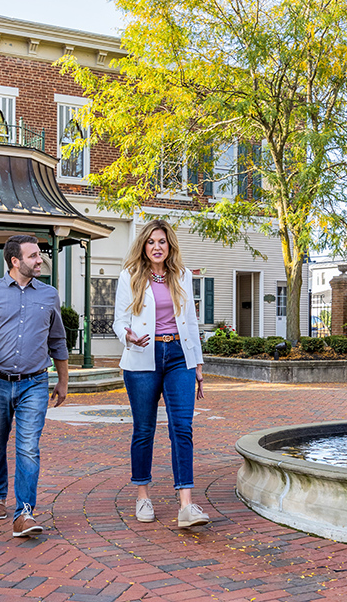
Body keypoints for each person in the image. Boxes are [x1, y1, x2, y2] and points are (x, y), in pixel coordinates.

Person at [0, 235, 69, 539]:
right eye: (33, 256)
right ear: (15, 261)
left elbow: (57, 340)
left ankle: (24, 512)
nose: (39, 260)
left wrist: (63, 380)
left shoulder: (48, 295)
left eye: (39, 255)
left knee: (28, 448)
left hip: (34, 382)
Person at [113, 219, 208, 528]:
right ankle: (143, 496)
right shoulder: (129, 276)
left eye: (162, 242)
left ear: (170, 247)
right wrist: (127, 336)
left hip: (179, 356)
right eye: (152, 241)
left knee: (182, 428)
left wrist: (198, 364)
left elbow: (191, 321)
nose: (157, 246)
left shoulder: (181, 275)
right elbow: (119, 320)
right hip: (142, 357)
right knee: (144, 430)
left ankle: (186, 505)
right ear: (144, 245)